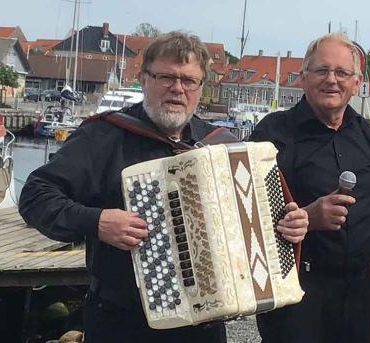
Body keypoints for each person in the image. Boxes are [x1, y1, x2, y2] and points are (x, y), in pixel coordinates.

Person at [18, 32, 308, 343]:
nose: (178, 89)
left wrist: (288, 225)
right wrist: (97, 222)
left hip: (205, 329)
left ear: (200, 87)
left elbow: (260, 222)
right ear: (143, 78)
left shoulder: (222, 144)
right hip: (121, 322)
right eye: (166, 77)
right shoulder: (102, 137)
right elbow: (35, 195)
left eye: (189, 80)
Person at [249, 32, 370, 343]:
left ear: (356, 82)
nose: (331, 80)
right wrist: (309, 218)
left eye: (341, 73)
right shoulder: (273, 133)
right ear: (303, 78)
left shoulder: (364, 133)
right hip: (297, 297)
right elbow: (243, 222)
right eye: (322, 71)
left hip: (357, 298)